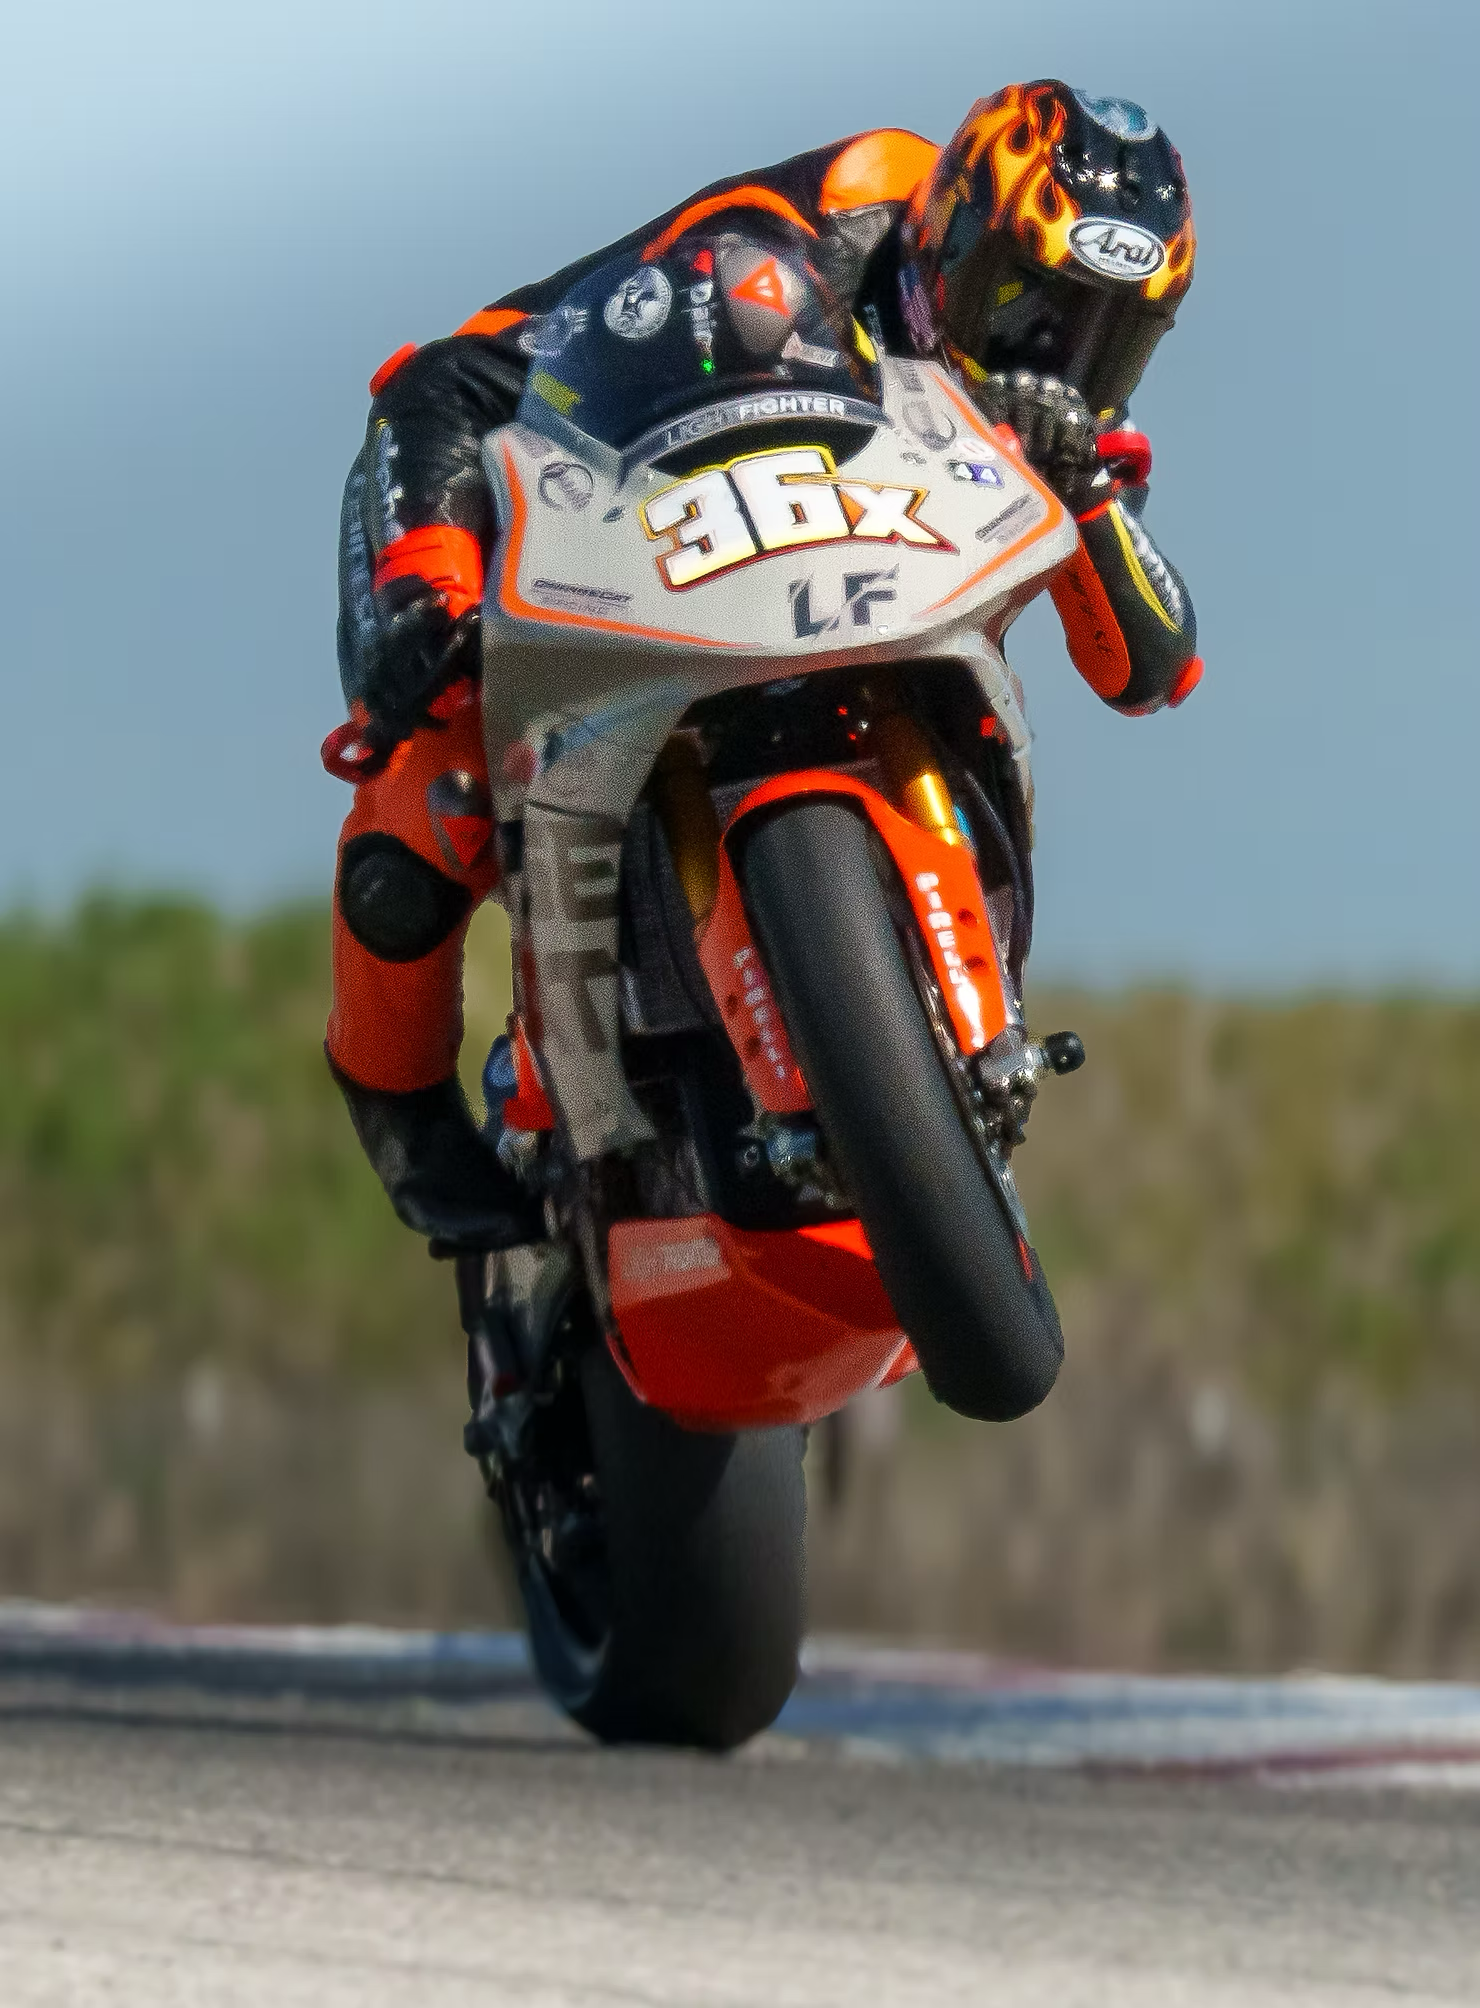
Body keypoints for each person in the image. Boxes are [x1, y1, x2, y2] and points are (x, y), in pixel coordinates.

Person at [325, 80, 1202, 1251]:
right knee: (427, 793)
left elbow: (1151, 668)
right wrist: (425, 577)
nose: (1053, 352)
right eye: (1024, 305)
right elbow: (464, 383)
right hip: (536, 479)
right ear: (947, 236)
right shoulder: (808, 241)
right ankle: (403, 1119)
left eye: (1109, 335)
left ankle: (931, 1026)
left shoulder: (1069, 407)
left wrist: (1080, 473)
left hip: (866, 618)